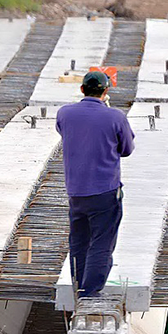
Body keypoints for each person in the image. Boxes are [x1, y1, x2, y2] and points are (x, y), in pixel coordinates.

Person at [55, 70, 135, 299]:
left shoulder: (65, 113)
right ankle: (90, 293)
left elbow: (63, 131)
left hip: (76, 192)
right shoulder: (116, 117)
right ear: (105, 91)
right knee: (101, 242)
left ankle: (79, 287)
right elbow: (127, 149)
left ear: (82, 89)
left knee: (79, 242)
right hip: (105, 191)